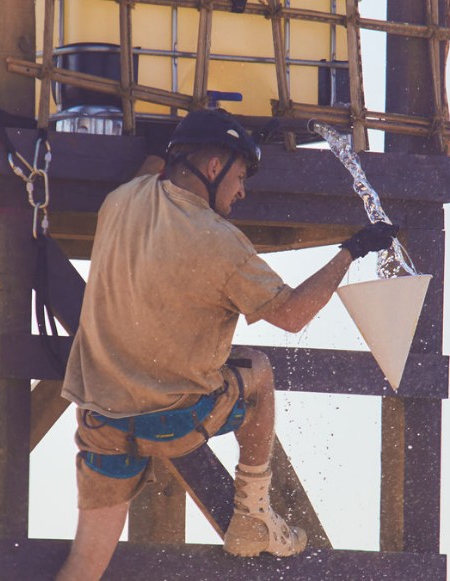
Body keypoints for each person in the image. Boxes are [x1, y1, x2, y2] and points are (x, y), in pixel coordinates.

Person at [55, 109, 398, 580]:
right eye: (239, 176)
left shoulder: (122, 200)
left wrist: (183, 138)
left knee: (84, 567)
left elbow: (155, 167)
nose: (242, 192)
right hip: (171, 421)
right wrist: (352, 249)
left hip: (103, 424)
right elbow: (293, 315)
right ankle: (252, 515)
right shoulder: (220, 242)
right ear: (213, 168)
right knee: (256, 371)